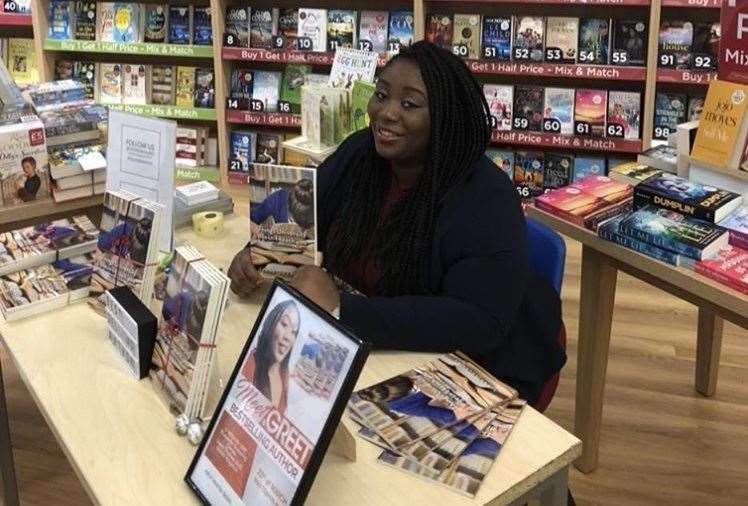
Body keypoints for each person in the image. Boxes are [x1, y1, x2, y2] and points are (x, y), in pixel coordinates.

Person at [228, 41, 565, 403]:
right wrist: (258, 253)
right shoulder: (362, 153)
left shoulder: (485, 197)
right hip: (378, 344)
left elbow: (478, 323)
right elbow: (301, 211)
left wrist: (342, 309)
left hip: (480, 362)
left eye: (409, 104)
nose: (385, 113)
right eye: (381, 95)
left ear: (446, 118)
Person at [240, 299, 300, 412]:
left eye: (294, 332)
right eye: (284, 324)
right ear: (270, 324)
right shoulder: (249, 365)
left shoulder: (285, 374)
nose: (288, 337)